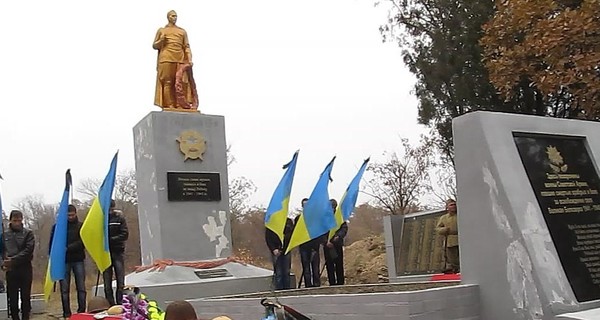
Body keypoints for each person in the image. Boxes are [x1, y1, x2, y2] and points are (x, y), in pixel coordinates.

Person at [153, 10, 195, 109]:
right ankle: (169, 105)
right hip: (166, 58)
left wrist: (189, 58)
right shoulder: (162, 30)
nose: (174, 18)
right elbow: (155, 45)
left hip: (180, 58)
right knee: (168, 82)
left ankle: (179, 104)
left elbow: (186, 46)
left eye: (175, 16)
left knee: (181, 82)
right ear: (168, 17)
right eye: (172, 16)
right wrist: (161, 41)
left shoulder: (182, 31)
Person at [49, 204, 86, 318]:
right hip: (63, 261)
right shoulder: (57, 227)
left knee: (81, 287)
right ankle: (66, 313)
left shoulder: (81, 226)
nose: (70, 217)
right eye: (68, 215)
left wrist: (68, 248)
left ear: (76, 214)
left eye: (72, 215)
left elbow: (83, 242)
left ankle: (81, 312)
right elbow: (52, 243)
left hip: (78, 259)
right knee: (64, 289)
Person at [2, 210, 35, 320]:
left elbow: (28, 250)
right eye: (15, 220)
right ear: (10, 220)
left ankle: (26, 317)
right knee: (12, 297)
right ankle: (15, 317)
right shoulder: (4, 234)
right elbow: (1, 252)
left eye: (19, 221)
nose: (17, 223)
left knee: (26, 296)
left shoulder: (28, 233)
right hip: (11, 270)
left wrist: (13, 260)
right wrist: (3, 264)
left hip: (25, 267)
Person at [103, 200, 129, 305]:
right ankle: (110, 304)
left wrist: (112, 239)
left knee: (120, 281)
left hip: (117, 252)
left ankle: (120, 303)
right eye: (108, 209)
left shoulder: (119, 218)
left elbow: (125, 234)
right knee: (107, 282)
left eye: (112, 209)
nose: (110, 211)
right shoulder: (101, 220)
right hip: (105, 254)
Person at [297, 198, 326, 288]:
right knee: (306, 267)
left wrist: (320, 242)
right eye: (304, 205)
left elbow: (320, 231)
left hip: (314, 246)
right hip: (304, 247)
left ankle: (316, 284)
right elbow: (296, 233)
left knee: (315, 267)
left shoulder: (315, 218)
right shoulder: (298, 219)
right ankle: (308, 284)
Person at [265, 217, 294, 290]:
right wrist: (273, 249)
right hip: (276, 250)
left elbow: (292, 235)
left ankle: (287, 289)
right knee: (278, 272)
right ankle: (279, 290)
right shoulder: (271, 223)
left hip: (286, 249)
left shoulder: (288, 222)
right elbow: (268, 238)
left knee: (286, 271)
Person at [324, 199, 347, 286]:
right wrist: (326, 242)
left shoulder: (339, 217)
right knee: (329, 265)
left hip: (337, 244)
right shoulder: (324, 217)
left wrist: (338, 236)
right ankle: (332, 283)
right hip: (327, 245)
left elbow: (344, 228)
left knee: (339, 264)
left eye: (333, 206)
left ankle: (340, 282)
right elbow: (321, 231)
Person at [436, 199, 459, 273]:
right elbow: (438, 228)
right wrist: (444, 230)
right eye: (451, 205)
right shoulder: (444, 218)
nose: (453, 206)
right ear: (447, 207)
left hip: (461, 238)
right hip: (450, 240)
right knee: (451, 256)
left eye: (454, 204)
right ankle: (452, 268)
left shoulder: (460, 215)